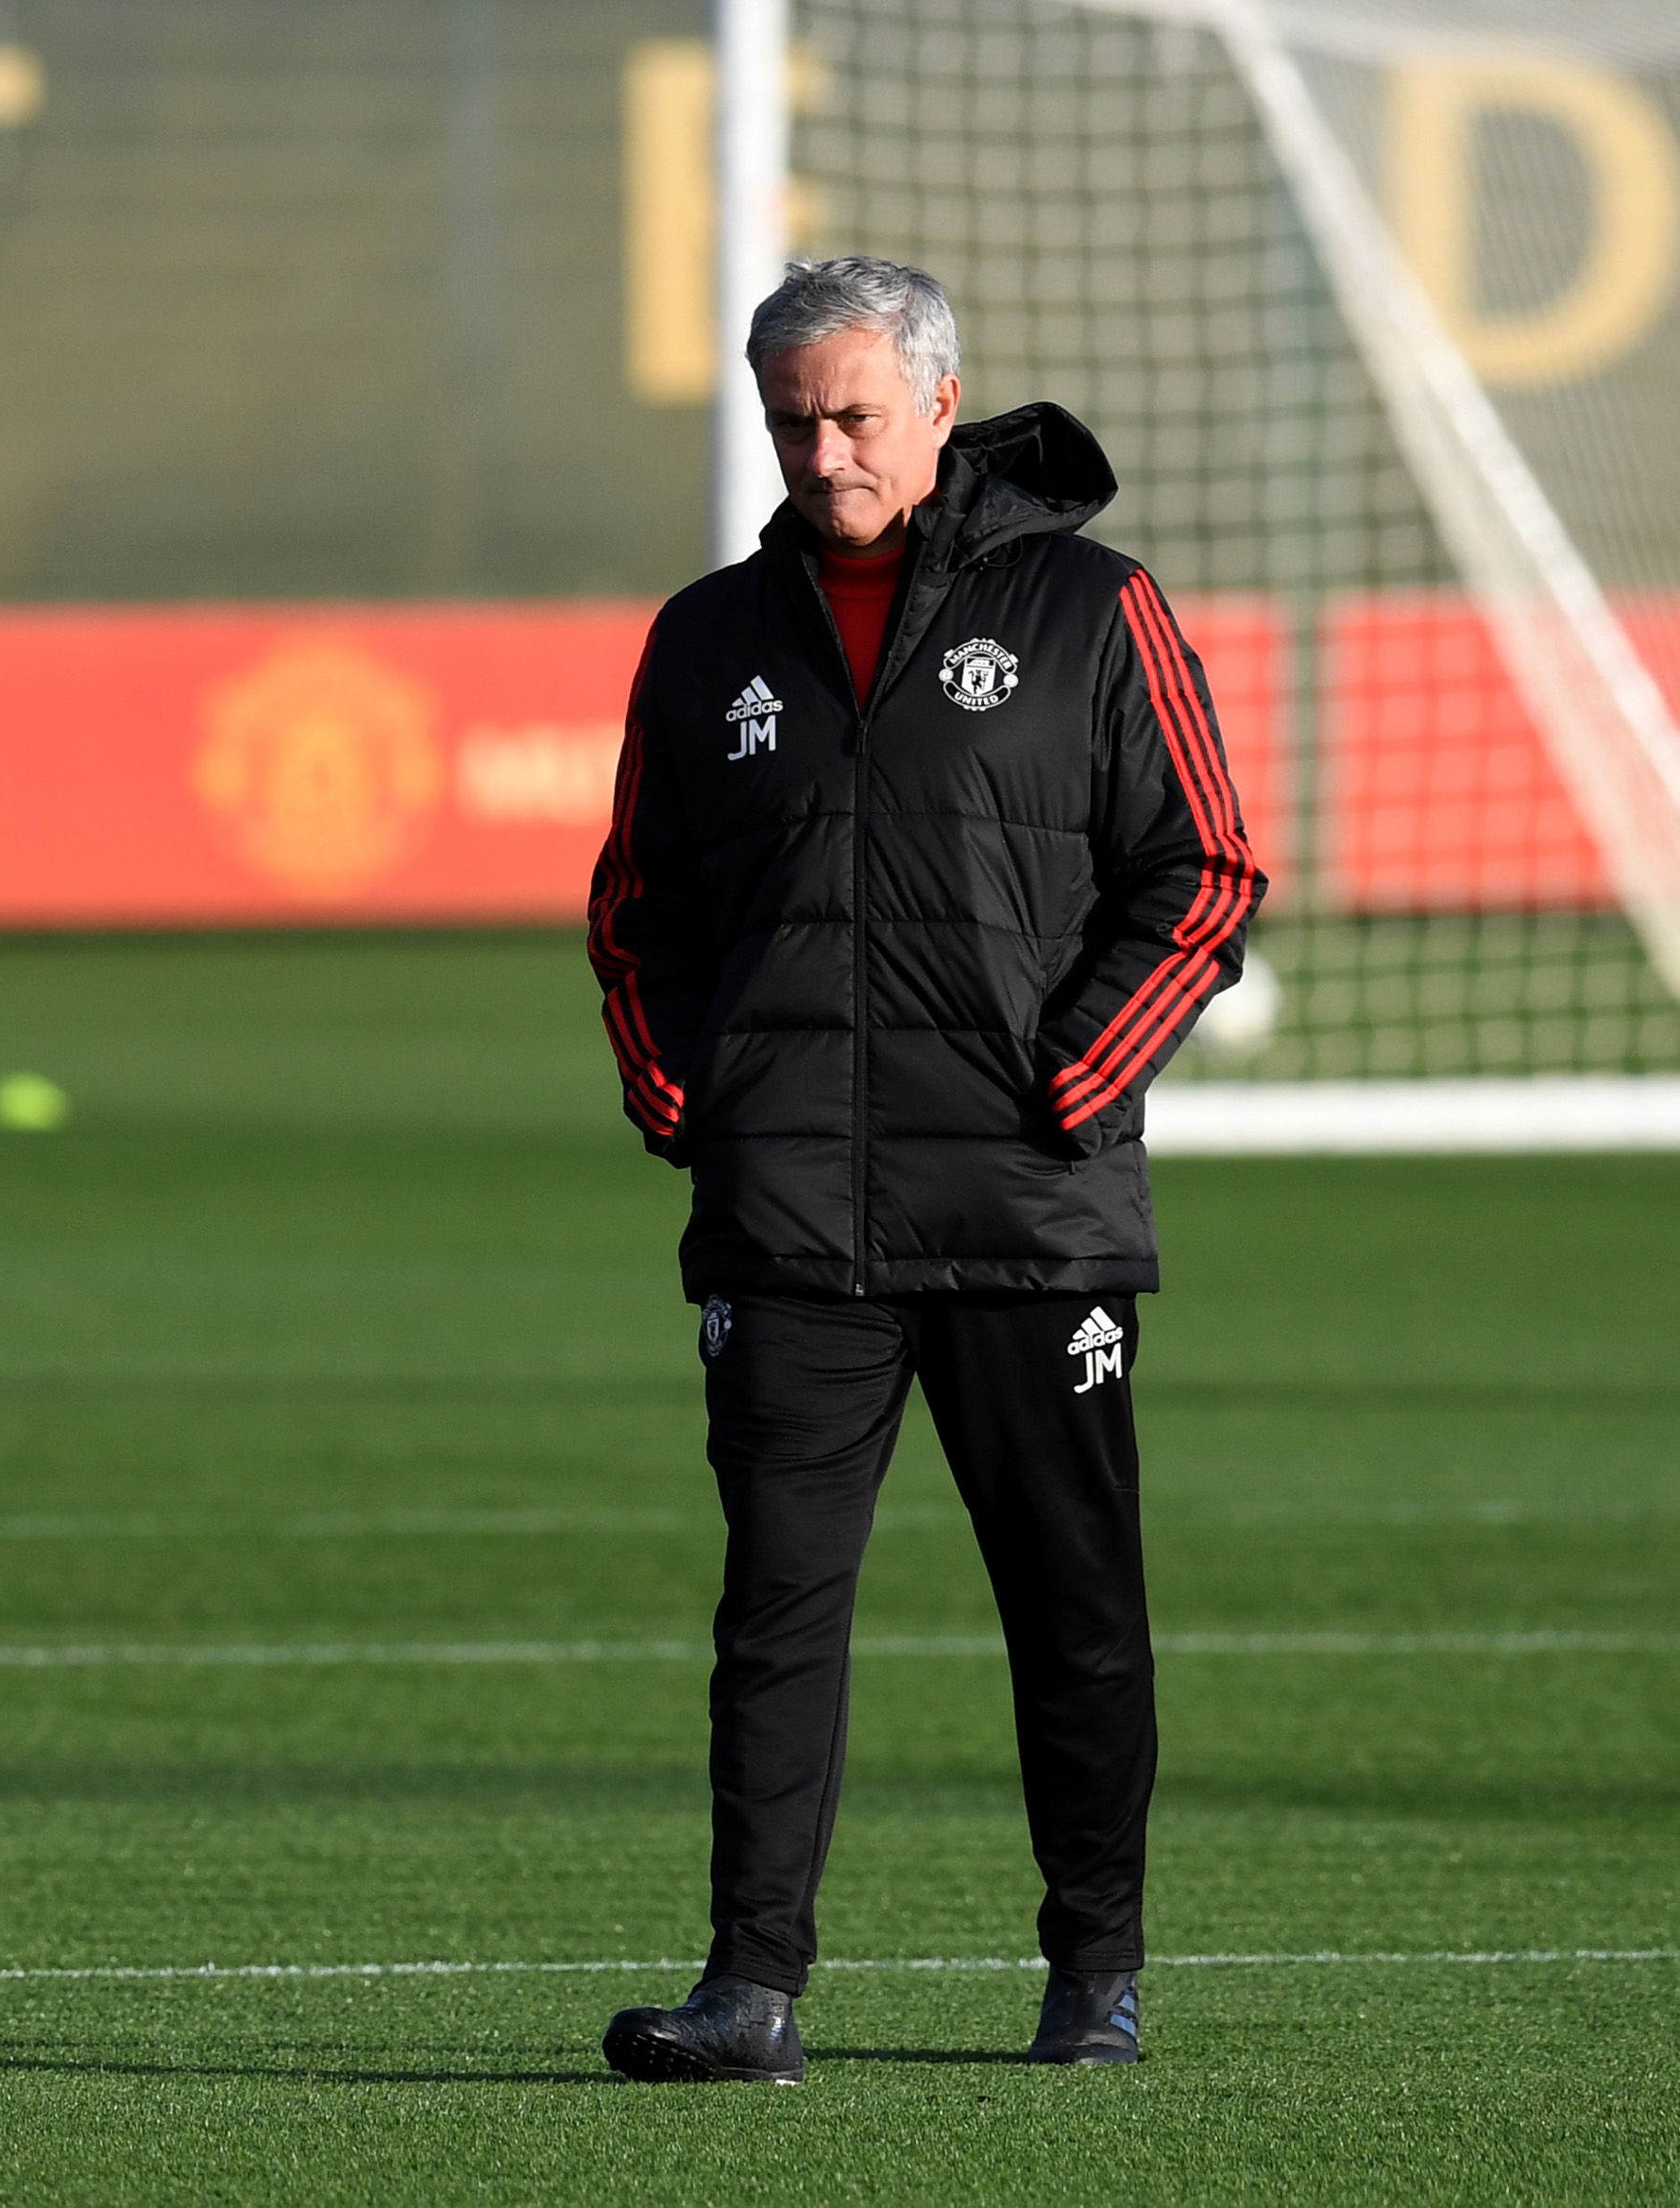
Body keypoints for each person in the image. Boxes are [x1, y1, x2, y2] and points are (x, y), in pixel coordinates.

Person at [583, 255, 1265, 2084]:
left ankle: (1094, 1972)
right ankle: (748, 1984)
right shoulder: (706, 637)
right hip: (788, 1218)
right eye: (790, 419)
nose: (821, 452)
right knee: (775, 1601)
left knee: (1071, 1604)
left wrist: (1076, 1078)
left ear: (938, 407)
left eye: (852, 415)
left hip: (1032, 1219)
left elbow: (1201, 874)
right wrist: (690, 1098)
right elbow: (632, 906)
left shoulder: (1093, 613)